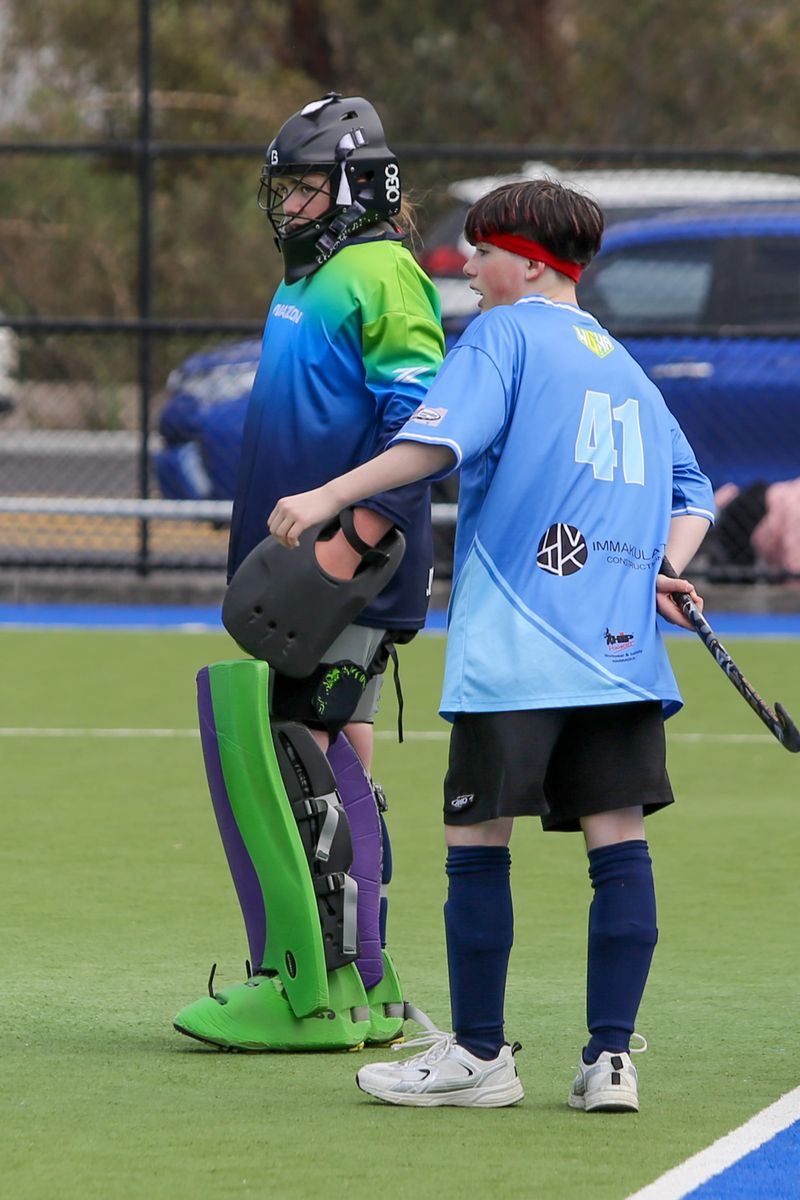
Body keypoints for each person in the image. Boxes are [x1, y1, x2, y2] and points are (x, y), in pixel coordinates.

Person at [267, 178, 715, 1107]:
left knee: (476, 839)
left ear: (531, 263)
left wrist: (328, 496)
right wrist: (667, 566)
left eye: (481, 250)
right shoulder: (625, 365)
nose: (467, 266)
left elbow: (436, 444)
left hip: (518, 647)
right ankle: (609, 1063)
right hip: (622, 652)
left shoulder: (505, 337)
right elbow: (693, 493)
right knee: (618, 843)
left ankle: (476, 1059)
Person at [173, 92, 444, 1051]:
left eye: (303, 188)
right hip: (297, 557)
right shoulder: (311, 276)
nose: (286, 205)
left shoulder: (383, 274)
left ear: (359, 185)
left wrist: (348, 545)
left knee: (308, 751)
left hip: (343, 566)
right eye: (281, 188)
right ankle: (360, 980)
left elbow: (420, 424)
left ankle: (309, 989)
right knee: (336, 752)